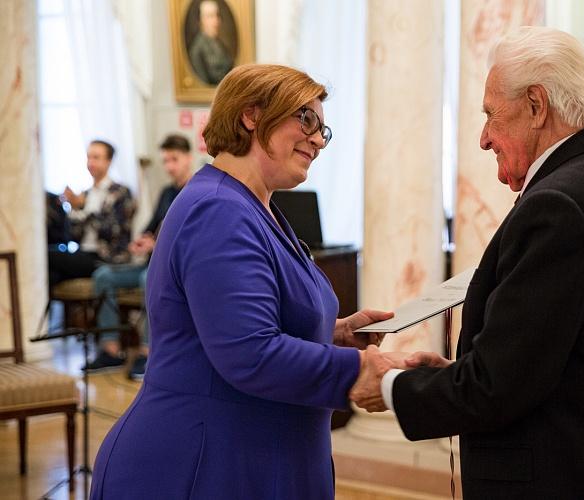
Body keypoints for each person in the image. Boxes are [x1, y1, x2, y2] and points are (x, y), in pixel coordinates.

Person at [350, 26, 584, 499]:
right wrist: (452, 373)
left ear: (536, 104)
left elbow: (497, 389)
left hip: (565, 476)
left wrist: (390, 385)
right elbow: (554, 359)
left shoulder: (560, 207)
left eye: (491, 115)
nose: (484, 138)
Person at [90, 64, 391, 499]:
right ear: (251, 115)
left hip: (252, 457)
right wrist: (357, 370)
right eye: (305, 118)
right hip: (198, 465)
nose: (316, 140)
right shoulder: (219, 209)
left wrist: (334, 333)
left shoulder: (255, 206)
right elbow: (249, 351)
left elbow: (245, 323)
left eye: (323, 130)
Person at [85, 134, 194, 379]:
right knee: (103, 276)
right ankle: (111, 349)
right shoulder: (167, 192)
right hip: (151, 262)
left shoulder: (197, 190)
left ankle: (148, 351)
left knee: (148, 279)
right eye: (165, 161)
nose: (169, 167)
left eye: (174, 160)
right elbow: (152, 225)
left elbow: (191, 237)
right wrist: (143, 239)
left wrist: (157, 243)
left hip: (173, 268)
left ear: (188, 158)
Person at [47, 140, 135, 292]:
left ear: (108, 161)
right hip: (83, 254)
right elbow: (72, 237)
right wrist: (74, 209)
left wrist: (83, 209)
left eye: (96, 157)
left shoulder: (120, 192)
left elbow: (112, 232)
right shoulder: (86, 193)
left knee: (47, 256)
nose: (91, 162)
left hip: (106, 258)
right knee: (51, 275)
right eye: (89, 157)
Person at [188, 0, 234, 85]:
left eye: (217, 15)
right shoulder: (197, 50)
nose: (216, 20)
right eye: (210, 16)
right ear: (200, 21)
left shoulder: (220, 44)